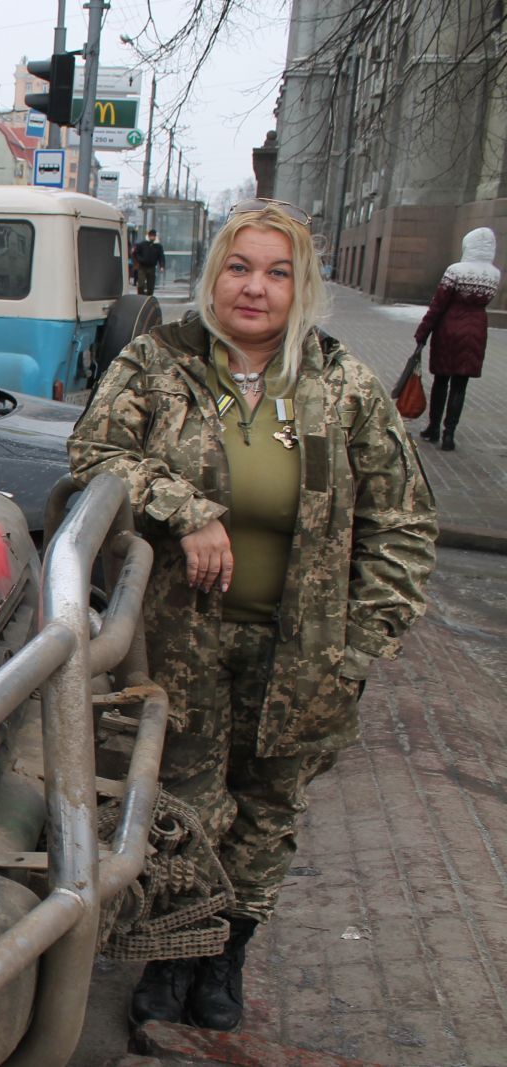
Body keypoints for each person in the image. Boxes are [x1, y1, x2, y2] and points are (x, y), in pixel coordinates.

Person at [69, 200, 437, 1033]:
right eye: (240, 267)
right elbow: (96, 452)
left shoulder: (343, 384)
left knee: (267, 810)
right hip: (182, 643)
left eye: (277, 272)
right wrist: (184, 506)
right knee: (181, 805)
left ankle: (224, 951)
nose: (256, 288)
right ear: (212, 275)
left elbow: (404, 523)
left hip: (302, 652)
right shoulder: (157, 365)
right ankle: (169, 955)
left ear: (301, 286)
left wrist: (357, 645)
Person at [415, 227, 500, 451]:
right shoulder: (494, 274)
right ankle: (449, 434)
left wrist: (423, 332)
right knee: (460, 385)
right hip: (477, 331)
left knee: (441, 381)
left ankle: (433, 428)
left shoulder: (456, 270)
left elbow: (438, 305)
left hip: (449, 329)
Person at [132, 229, 165, 295]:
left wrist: (162, 266)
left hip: (152, 267)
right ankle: (141, 296)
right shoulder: (142, 244)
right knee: (141, 284)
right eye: (151, 236)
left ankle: (149, 297)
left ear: (155, 237)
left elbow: (161, 256)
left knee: (151, 285)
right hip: (142, 267)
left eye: (153, 236)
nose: (152, 237)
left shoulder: (158, 246)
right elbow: (135, 253)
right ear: (149, 236)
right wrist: (139, 260)